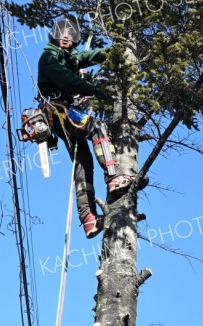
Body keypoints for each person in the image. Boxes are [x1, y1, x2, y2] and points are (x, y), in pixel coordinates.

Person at [37, 17, 139, 238]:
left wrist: (113, 52)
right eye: (61, 34)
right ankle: (114, 177)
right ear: (53, 36)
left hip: (62, 114)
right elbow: (65, 78)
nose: (66, 37)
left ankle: (88, 218)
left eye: (70, 35)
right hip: (59, 111)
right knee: (98, 127)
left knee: (83, 162)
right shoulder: (49, 56)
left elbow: (88, 56)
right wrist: (91, 89)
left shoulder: (69, 57)